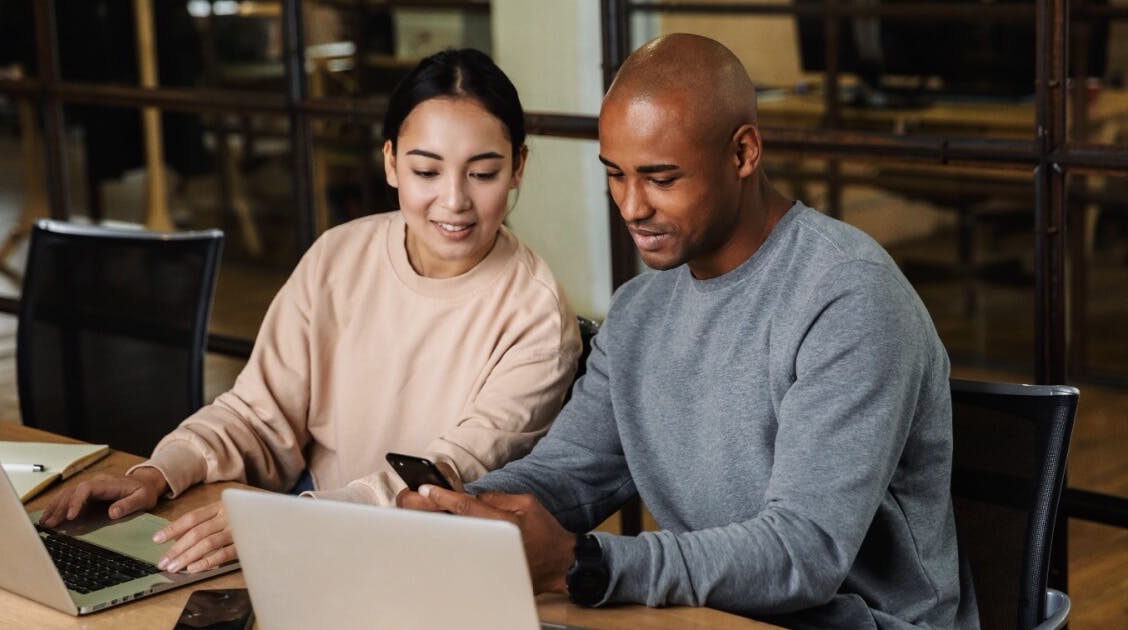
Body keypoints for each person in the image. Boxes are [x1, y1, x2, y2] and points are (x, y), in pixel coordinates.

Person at [402, 34, 978, 628]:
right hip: (710, 617)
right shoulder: (639, 311)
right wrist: (463, 510)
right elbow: (571, 471)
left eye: (661, 178)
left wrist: (584, 562)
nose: (630, 206)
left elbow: (805, 553)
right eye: (616, 175)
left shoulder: (849, 297)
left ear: (744, 153)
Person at [41, 49, 582, 576]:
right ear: (391, 162)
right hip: (309, 537)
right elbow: (258, 412)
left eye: (482, 174)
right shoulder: (338, 256)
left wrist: (286, 522)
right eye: (427, 171)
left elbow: (446, 480)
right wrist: (160, 471)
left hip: (429, 570)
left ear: (518, 168)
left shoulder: (536, 316)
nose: (454, 200)